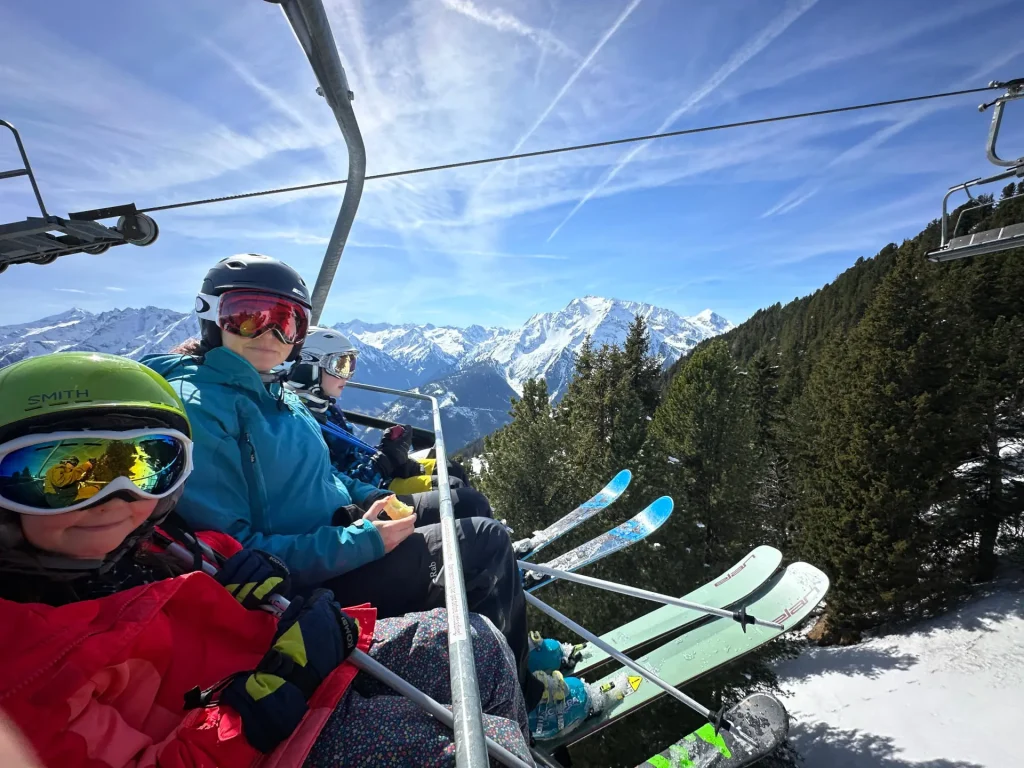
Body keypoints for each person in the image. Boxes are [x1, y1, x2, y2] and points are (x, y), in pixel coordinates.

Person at [144, 253, 613, 740]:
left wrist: (376, 497)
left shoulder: (273, 391)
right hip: (302, 584)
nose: (271, 334)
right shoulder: (202, 407)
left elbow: (324, 474)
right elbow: (238, 554)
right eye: (247, 316)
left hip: (338, 530)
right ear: (211, 316)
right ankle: (528, 704)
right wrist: (365, 539)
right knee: (483, 542)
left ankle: (512, 645)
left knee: (465, 502)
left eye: (288, 322)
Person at [0, 352, 534, 767]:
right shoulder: (24, 663)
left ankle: (528, 714)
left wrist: (244, 579)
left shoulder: (151, 548)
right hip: (261, 732)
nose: (114, 498)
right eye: (59, 475)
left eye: (147, 466)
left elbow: (246, 531)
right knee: (489, 745)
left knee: (479, 645)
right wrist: (268, 698)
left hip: (267, 662)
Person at [284, 326, 490, 523]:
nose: (348, 374)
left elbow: (352, 458)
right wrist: (386, 461)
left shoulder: (327, 409)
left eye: (351, 365)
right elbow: (340, 486)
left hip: (375, 477)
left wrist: (391, 455)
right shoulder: (299, 424)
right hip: (369, 496)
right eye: (340, 365)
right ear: (308, 367)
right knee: (460, 495)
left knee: (451, 468)